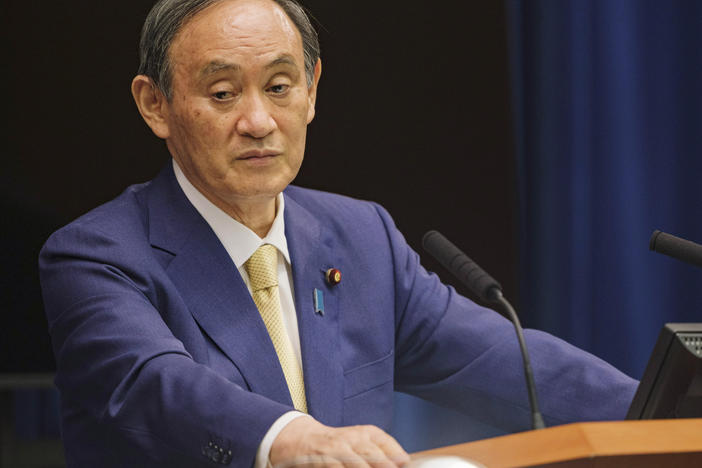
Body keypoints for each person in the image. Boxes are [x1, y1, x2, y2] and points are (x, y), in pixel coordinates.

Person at [38, 0, 638, 467]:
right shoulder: (97, 256)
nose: (258, 121)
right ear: (155, 105)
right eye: (223, 94)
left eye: (278, 87)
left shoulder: (360, 236)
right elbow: (157, 386)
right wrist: (289, 440)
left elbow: (511, 366)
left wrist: (662, 411)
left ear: (312, 90)